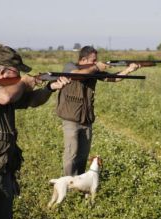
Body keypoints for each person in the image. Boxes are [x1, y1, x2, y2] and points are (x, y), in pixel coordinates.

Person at [0, 46, 70, 219]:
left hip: (3, 169)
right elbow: (5, 97)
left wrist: (49, 88)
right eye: (16, 72)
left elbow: (31, 100)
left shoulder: (9, 87)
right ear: (1, 71)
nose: (20, 75)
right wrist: (23, 82)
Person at [56, 46, 140, 176]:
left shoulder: (92, 71)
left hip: (86, 118)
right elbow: (77, 75)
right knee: (71, 154)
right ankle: (68, 182)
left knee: (83, 155)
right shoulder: (70, 66)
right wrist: (96, 67)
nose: (96, 62)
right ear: (83, 59)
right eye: (93, 60)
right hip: (71, 118)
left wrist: (129, 69)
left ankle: (79, 182)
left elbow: (114, 78)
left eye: (96, 60)